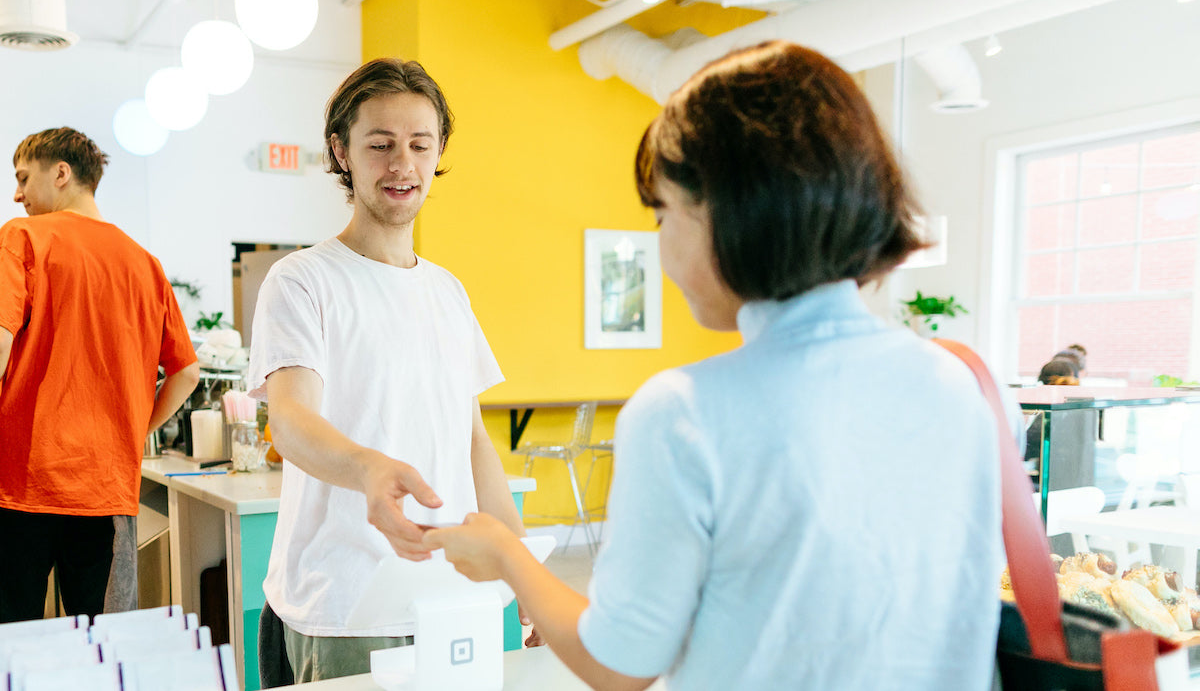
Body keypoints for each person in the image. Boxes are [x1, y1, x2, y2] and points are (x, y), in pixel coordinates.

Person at [426, 41, 1015, 690]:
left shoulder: (684, 412)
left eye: (663, 213)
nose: (661, 245)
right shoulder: (961, 388)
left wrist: (508, 554)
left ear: (732, 213)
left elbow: (620, 663)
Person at [248, 58, 530, 683]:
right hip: (344, 606)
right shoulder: (301, 280)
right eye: (380, 145)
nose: (402, 164)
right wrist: (370, 467)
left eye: (418, 145)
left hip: (454, 601)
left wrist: (523, 571)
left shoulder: (448, 291)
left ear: (437, 155)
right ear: (340, 152)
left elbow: (473, 441)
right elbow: (290, 421)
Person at [0, 127, 199, 622]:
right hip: (105, 489)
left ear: (61, 173)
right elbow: (187, 373)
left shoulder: (21, 236)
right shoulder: (144, 264)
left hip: (20, 482)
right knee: (101, 643)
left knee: (10, 639)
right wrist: (136, 431)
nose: (18, 194)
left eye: (24, 178)